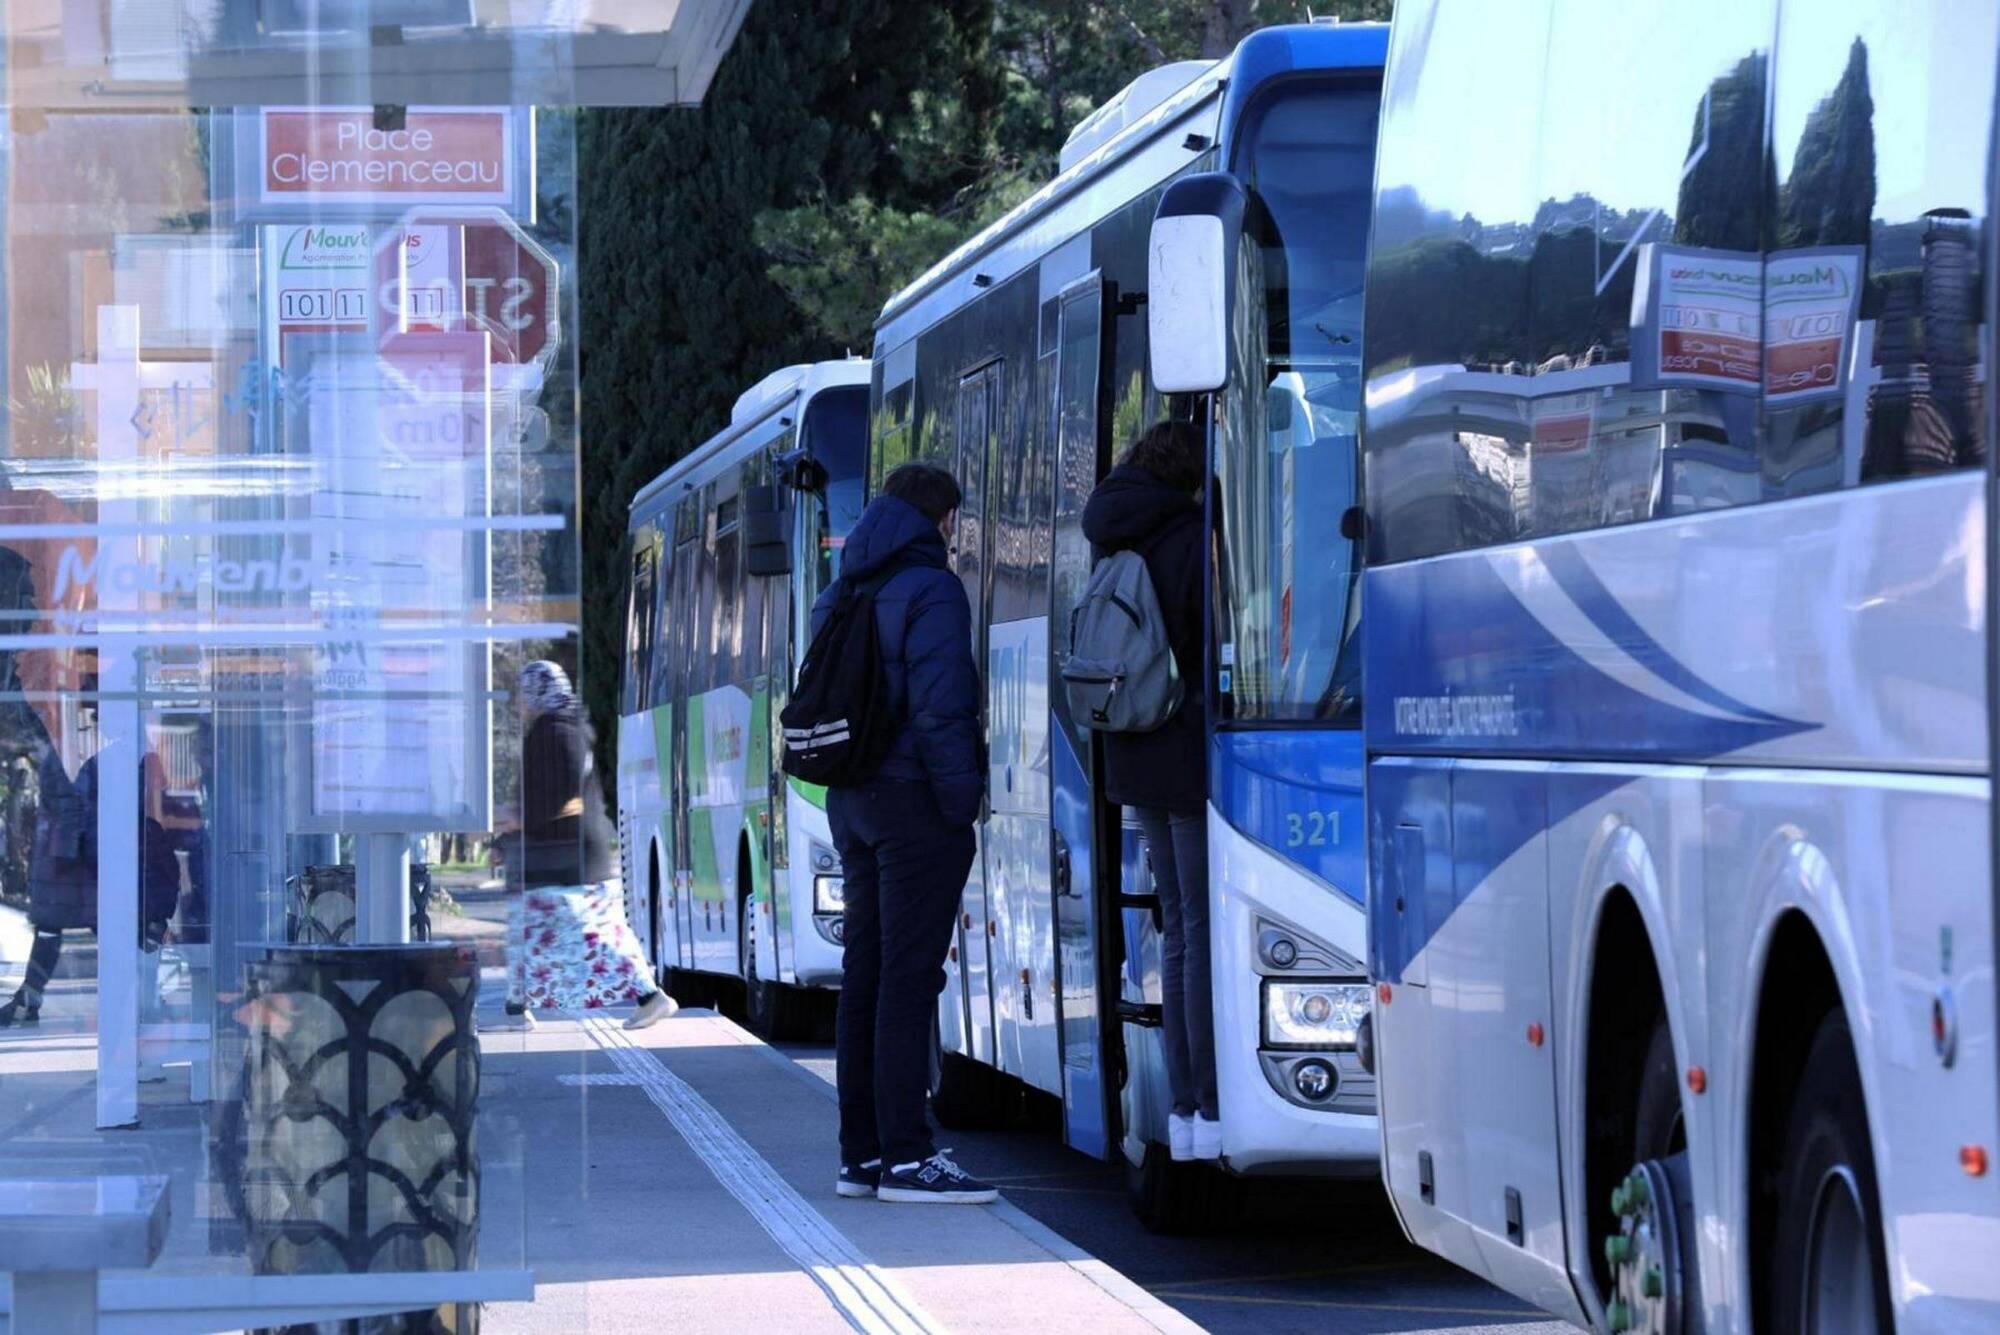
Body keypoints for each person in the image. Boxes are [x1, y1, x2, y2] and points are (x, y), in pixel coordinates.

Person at [815, 462, 994, 1203]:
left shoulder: (844, 583)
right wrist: (963, 804)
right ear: (940, 516)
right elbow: (943, 709)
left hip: (851, 796)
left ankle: (860, 1153)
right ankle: (908, 1156)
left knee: (866, 974)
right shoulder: (932, 588)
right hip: (914, 799)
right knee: (909, 977)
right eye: (953, 519)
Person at [1080, 420, 1218, 1160]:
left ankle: (1189, 1104)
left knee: (1175, 929)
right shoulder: (1192, 537)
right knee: (1197, 928)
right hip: (1188, 756)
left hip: (1133, 754)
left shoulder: (1113, 533)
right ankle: (1204, 1097)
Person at [489, 660, 673, 1032]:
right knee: (538, 931)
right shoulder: (558, 728)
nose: (518, 704)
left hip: (566, 859)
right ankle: (516, 1009)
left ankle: (650, 997)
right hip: (564, 854)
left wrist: (519, 820)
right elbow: (545, 795)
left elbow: (562, 794)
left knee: (584, 934)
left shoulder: (556, 731)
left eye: (523, 694)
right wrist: (507, 838)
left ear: (538, 693)